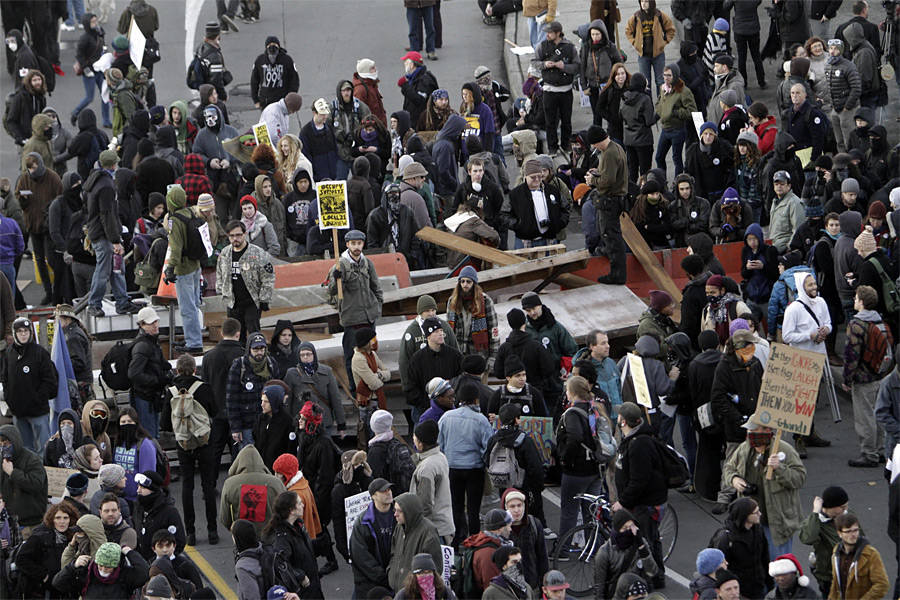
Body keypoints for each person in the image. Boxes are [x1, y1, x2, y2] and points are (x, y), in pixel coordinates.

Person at [722, 421, 806, 559]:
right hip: (751, 521)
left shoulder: (785, 450)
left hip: (776, 523)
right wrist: (734, 479)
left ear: (767, 430)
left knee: (777, 567)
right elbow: (728, 468)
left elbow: (799, 478)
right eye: (749, 431)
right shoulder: (744, 449)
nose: (750, 434)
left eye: (754, 430)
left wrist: (780, 468)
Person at [611, 402, 667, 587]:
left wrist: (623, 501)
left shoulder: (639, 445)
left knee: (645, 542)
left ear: (623, 421)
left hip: (646, 503)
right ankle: (656, 575)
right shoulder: (633, 439)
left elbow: (639, 480)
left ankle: (651, 580)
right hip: (643, 501)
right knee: (651, 539)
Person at [84, 150, 141, 317]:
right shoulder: (107, 186)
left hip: (100, 232)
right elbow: (107, 215)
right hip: (105, 236)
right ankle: (94, 304)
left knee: (117, 269)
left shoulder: (96, 181)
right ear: (113, 165)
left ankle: (122, 302)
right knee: (104, 270)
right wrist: (116, 240)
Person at [439, 382, 494, 547]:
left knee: (455, 505)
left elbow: (439, 443)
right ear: (476, 400)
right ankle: (475, 541)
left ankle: (457, 540)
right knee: (473, 508)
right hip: (474, 468)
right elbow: (487, 445)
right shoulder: (481, 420)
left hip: (452, 467)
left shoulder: (446, 417)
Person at [327, 230, 383, 392]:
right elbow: (331, 291)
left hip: (369, 316)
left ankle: (371, 382)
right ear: (347, 245)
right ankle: (354, 386)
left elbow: (376, 286)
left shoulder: (367, 263)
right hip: (352, 318)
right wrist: (337, 278)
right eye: (353, 244)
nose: (356, 247)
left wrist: (378, 306)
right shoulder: (340, 265)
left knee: (371, 352)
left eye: (359, 243)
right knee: (351, 355)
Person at [842, 285, 890, 468]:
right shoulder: (880, 322)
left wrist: (847, 379)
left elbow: (851, 355)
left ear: (861, 302)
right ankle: (880, 450)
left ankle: (868, 453)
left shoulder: (856, 324)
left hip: (863, 377)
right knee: (878, 414)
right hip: (879, 374)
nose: (854, 301)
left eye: (856, 298)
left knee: (865, 417)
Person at [0, 318, 57, 452]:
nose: (23, 334)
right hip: (18, 412)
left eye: (26, 331)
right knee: (25, 449)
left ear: (30, 333)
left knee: (44, 447)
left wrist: (37, 399)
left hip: (38, 411)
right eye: (20, 331)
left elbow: (50, 380)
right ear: (15, 334)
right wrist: (10, 400)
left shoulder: (40, 353)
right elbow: (5, 379)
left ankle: (45, 472)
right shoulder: (9, 353)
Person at [216, 220, 275, 341]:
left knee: (254, 333)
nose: (235, 238)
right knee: (236, 336)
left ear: (244, 234)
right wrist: (222, 291)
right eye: (232, 236)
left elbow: (268, 276)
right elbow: (220, 274)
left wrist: (264, 298)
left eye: (238, 235)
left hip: (252, 301)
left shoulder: (257, 253)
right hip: (233, 302)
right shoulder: (225, 253)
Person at [225, 332, 280, 451]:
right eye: (256, 349)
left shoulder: (271, 364)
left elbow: (278, 394)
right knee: (249, 459)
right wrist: (235, 428)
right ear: (249, 349)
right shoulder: (239, 366)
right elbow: (231, 399)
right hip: (247, 424)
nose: (259, 352)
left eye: (262, 349)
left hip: (267, 422)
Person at [262, 491, 322, 598]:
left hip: (312, 584)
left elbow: (302, 550)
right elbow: (281, 564)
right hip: (301, 590)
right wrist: (300, 576)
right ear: (291, 510)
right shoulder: (282, 537)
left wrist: (319, 545)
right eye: (299, 503)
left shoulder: (298, 525)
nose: (303, 505)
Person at [532, 21, 580, 155]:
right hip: (549, 90)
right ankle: (552, 147)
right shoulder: (542, 46)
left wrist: (563, 66)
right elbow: (534, 63)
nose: (547, 35)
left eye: (550, 33)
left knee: (566, 120)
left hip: (566, 90)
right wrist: (545, 64)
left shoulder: (570, 47)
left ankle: (566, 144)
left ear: (558, 33)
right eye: (546, 32)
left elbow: (577, 66)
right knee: (550, 122)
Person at [709, 497, 771, 598]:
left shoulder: (758, 530)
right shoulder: (726, 538)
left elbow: (764, 558)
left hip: (758, 587)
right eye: (756, 512)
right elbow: (719, 570)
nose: (760, 514)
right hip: (737, 592)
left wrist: (769, 583)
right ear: (745, 516)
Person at [13, 502, 78, 598]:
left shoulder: (74, 538)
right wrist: (44, 576)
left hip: (64, 590)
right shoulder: (39, 537)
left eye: (65, 518)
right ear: (52, 519)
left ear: (70, 519)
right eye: (58, 518)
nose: (62, 522)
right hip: (41, 591)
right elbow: (21, 559)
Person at [220, 444, 286, 536]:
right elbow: (285, 512)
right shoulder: (276, 483)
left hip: (243, 539)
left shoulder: (230, 484)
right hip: (270, 538)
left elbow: (224, 518)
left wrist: (235, 530)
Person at [594, 508, 660, 599]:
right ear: (617, 530)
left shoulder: (640, 542)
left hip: (640, 592)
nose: (629, 531)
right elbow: (599, 587)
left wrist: (642, 547)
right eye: (625, 528)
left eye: (631, 527)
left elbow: (653, 572)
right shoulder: (604, 552)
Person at [406, 318, 463, 422]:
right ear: (428, 336)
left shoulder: (454, 355)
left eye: (441, 331)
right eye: (436, 332)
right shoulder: (417, 359)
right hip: (427, 411)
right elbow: (411, 385)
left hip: (452, 410)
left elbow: (462, 377)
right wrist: (425, 404)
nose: (441, 334)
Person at [799, 486, 850, 595]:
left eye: (846, 505)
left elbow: (861, 538)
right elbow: (807, 538)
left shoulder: (846, 515)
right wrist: (815, 513)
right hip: (828, 574)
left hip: (850, 571)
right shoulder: (816, 522)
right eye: (842, 507)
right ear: (830, 507)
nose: (845, 509)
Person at [52, 541, 150, 598]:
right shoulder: (86, 574)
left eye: (108, 567)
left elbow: (144, 572)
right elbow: (58, 583)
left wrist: (129, 552)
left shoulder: (125, 576)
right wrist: (73, 566)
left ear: (116, 566)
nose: (103, 569)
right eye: (100, 565)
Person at [350, 478, 396, 598]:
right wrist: (383, 577)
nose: (389, 493)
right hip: (371, 582)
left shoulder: (399, 514)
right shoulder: (363, 522)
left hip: (395, 576)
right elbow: (361, 557)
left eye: (389, 489)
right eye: (384, 491)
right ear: (373, 496)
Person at [409, 419, 454, 542]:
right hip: (444, 524)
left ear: (421, 444)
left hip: (434, 530)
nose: (413, 439)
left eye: (415, 438)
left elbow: (425, 504)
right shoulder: (440, 456)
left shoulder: (427, 467)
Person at [387, 492, 442, 591]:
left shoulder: (428, 533)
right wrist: (391, 572)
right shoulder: (399, 527)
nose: (395, 514)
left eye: (399, 511)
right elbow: (393, 553)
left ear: (409, 512)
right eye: (395, 510)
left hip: (415, 593)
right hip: (399, 591)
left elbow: (435, 568)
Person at [508, 160, 570, 248]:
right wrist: (519, 226)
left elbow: (565, 208)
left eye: (539, 176)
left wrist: (558, 224)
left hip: (550, 239)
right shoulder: (515, 194)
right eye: (533, 177)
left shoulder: (553, 190)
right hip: (525, 241)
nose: (537, 180)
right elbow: (504, 215)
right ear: (525, 176)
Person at [829, 513, 890, 599]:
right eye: (848, 531)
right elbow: (835, 584)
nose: (853, 534)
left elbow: (882, 584)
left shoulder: (871, 554)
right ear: (839, 533)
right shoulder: (836, 552)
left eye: (855, 530)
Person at [624, 0, 676, 94]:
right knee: (645, 83)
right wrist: (635, 43)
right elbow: (628, 31)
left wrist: (664, 42)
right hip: (643, 56)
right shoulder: (636, 16)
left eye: (646, 1)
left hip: (658, 55)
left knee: (660, 81)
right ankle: (647, 106)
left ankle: (661, 105)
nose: (643, 4)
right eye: (642, 1)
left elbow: (671, 29)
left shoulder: (659, 15)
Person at [134, 470, 186, 561]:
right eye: (138, 486)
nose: (138, 490)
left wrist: (162, 561)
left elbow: (179, 542)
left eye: (142, 487)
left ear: (153, 489)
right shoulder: (139, 507)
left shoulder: (170, 512)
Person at [654, 63, 696, 174]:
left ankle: (677, 183)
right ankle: (662, 181)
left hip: (677, 130)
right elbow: (659, 102)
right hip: (665, 128)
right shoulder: (663, 88)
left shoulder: (684, 91)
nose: (666, 78)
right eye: (664, 75)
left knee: (676, 159)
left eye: (669, 75)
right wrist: (661, 111)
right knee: (659, 157)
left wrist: (676, 113)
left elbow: (692, 110)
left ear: (675, 76)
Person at [461, 508, 513, 593]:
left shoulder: (488, 543)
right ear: (500, 528)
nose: (510, 529)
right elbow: (493, 589)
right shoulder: (488, 554)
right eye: (508, 526)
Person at [825, 39, 861, 153]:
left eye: (835, 48)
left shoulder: (849, 66)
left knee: (850, 139)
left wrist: (847, 107)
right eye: (830, 48)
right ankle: (842, 162)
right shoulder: (828, 66)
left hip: (847, 109)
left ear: (840, 50)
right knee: (838, 140)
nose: (832, 51)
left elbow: (856, 88)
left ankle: (853, 163)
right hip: (835, 109)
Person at [250, 36, 300, 109]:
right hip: (265, 101)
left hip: (282, 101)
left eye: (275, 45)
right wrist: (256, 100)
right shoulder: (260, 60)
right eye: (269, 45)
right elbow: (254, 81)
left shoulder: (287, 60)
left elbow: (294, 81)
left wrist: (290, 99)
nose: (272, 48)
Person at [399, 52, 440, 126]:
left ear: (411, 65)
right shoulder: (413, 78)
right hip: (414, 120)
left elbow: (419, 100)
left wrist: (405, 86)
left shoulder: (425, 80)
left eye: (406, 62)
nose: (404, 64)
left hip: (421, 122)